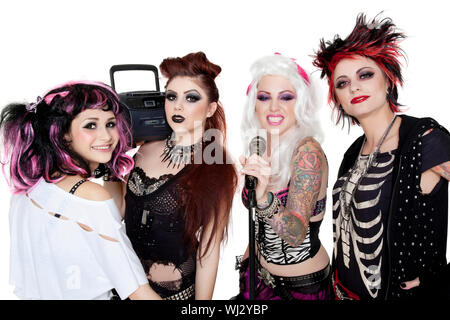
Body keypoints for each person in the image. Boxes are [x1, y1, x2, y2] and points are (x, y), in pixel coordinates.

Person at [313, 13, 450, 300]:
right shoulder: (353, 152)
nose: (354, 87)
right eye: (342, 83)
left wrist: (441, 277)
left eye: (365, 74)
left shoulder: (425, 139)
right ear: (337, 98)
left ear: (388, 80)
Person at [0, 81, 161, 300]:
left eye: (111, 124)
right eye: (90, 125)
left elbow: (107, 218)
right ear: (63, 133)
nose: (106, 136)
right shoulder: (90, 198)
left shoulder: (29, 187)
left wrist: (111, 163)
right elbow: (139, 293)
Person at [105, 52, 238, 300]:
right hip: (124, 290)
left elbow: (208, 253)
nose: (177, 106)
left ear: (210, 108)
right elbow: (117, 214)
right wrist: (114, 161)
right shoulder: (144, 149)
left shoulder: (217, 168)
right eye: (171, 96)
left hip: (175, 296)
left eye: (191, 98)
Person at [235, 53, 331, 300]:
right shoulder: (263, 145)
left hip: (300, 290)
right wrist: (247, 269)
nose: (274, 107)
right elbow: (259, 221)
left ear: (301, 103)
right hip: (258, 280)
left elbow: (295, 235)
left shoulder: (307, 152)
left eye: (286, 97)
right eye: (264, 97)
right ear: (253, 103)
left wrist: (264, 196)